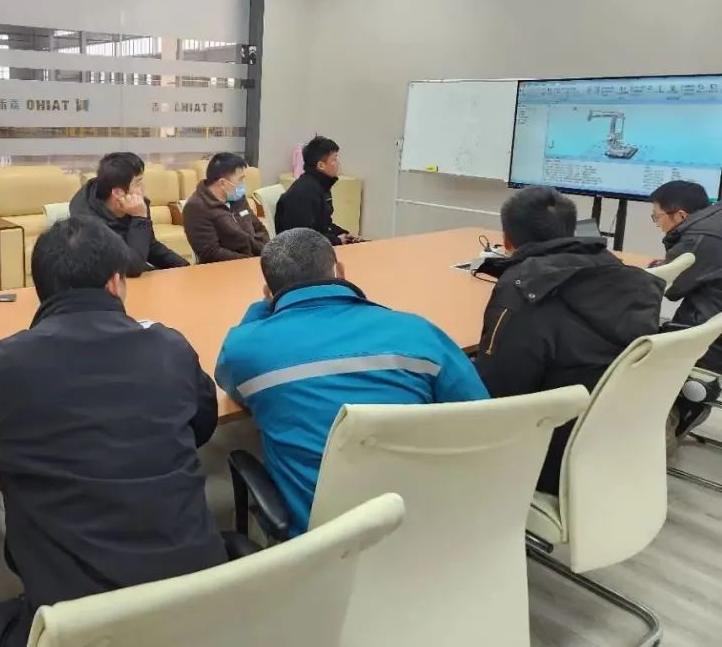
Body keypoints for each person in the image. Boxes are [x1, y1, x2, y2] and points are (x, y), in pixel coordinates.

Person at [0, 216, 225, 647]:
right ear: (116, 283)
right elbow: (202, 425)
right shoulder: (170, 347)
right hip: (205, 607)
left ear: (40, 288)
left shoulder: (4, 367)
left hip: (84, 628)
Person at [215, 228, 488, 536]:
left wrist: (259, 311)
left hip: (322, 540)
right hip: (421, 521)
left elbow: (229, 381)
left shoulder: (245, 349)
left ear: (268, 292)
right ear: (340, 272)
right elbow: (481, 415)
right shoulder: (418, 332)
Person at [475, 186, 663, 494]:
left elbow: (495, 392)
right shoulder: (630, 277)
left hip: (546, 454)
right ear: (571, 230)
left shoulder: (522, 291)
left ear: (507, 241)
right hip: (612, 440)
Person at [649, 180, 722, 433]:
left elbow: (670, 288)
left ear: (680, 215)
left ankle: (676, 414)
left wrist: (659, 268)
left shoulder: (700, 238)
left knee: (635, 345)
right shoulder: (715, 219)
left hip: (711, 338)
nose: (657, 224)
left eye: (657, 217)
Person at [69, 152, 189, 275]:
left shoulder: (135, 204)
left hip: (132, 272)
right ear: (118, 192)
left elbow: (150, 245)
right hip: (109, 278)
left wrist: (185, 267)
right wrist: (140, 218)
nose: (143, 188)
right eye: (138, 183)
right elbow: (132, 267)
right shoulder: (88, 223)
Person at [182, 152, 269, 263]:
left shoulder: (237, 197)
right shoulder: (196, 208)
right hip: (228, 267)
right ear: (223, 183)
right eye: (240, 179)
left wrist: (266, 252)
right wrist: (250, 260)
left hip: (256, 260)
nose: (243, 185)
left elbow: (259, 228)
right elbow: (211, 253)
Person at [275, 136, 362, 245]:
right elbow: (303, 238)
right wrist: (337, 240)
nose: (338, 164)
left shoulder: (320, 186)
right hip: (301, 252)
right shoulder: (303, 193)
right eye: (334, 159)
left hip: (319, 246)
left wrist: (345, 234)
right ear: (321, 165)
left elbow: (324, 225)